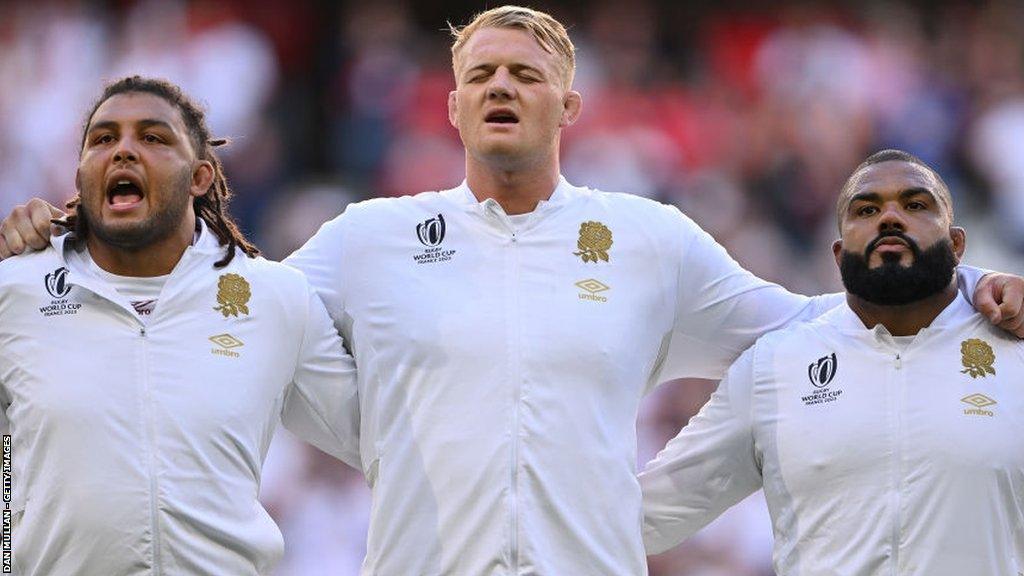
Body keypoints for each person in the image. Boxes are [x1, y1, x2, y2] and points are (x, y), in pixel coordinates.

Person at [1, 7, 1023, 575]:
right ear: (447, 105)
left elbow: (814, 324)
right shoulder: (368, 240)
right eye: (481, 73)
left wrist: (973, 291)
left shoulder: (647, 240)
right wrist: (71, 252)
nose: (500, 87)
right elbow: (212, 307)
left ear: (569, 103)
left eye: (525, 74)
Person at [0, 76, 360, 575]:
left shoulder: (274, 296)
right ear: (80, 174)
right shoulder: (14, 291)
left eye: (153, 137)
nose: (123, 151)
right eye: (103, 139)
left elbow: (381, 444)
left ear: (200, 178)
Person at [640, 149, 1024, 575]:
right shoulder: (776, 366)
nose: (890, 218)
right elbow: (650, 515)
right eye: (867, 209)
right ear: (839, 255)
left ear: (956, 246)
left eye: (915, 205)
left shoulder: (1014, 351)